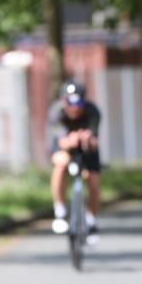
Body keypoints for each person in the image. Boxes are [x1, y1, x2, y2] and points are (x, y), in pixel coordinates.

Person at [48, 82, 102, 237]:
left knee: (93, 181)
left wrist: (88, 139)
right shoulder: (56, 112)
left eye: (79, 103)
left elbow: (94, 140)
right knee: (60, 164)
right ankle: (60, 211)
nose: (75, 107)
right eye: (70, 103)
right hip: (65, 147)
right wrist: (72, 139)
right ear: (64, 102)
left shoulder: (93, 111)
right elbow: (61, 141)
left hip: (86, 148)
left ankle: (92, 222)